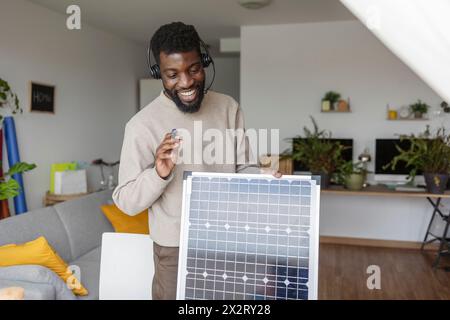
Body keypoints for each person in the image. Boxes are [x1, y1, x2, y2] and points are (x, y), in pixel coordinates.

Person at [112, 21, 281, 300]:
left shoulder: (228, 107)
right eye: (172, 74)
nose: (187, 82)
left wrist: (261, 176)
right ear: (158, 74)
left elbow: (244, 167)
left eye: (193, 69)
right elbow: (126, 201)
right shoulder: (141, 125)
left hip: (229, 240)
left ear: (204, 62)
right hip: (175, 249)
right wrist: (159, 173)